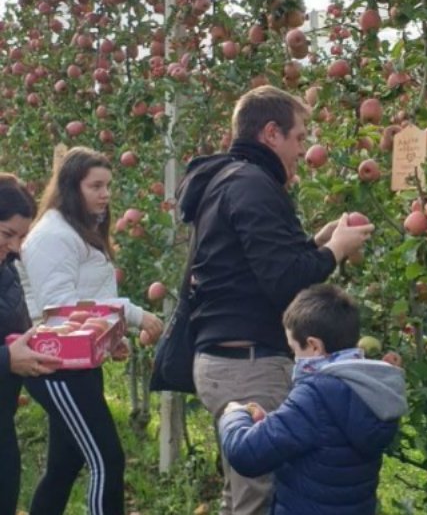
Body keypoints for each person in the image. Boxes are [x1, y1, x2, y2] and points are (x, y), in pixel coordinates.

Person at [178, 85, 374, 514]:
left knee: (241, 494)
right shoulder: (253, 184)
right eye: (299, 137)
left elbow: (255, 267)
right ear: (271, 133)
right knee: (258, 498)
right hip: (248, 366)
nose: (302, 149)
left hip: (223, 360)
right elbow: (285, 283)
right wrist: (333, 252)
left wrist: (315, 244)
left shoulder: (227, 179)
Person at [18, 147, 164, 515]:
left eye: (108, 186)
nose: (105, 194)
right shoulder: (53, 235)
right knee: (107, 459)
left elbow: (89, 298)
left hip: (72, 362)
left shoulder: (76, 229)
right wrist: (131, 315)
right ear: (71, 187)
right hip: (56, 365)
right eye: (95, 186)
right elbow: (61, 310)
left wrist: (106, 340)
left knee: (64, 467)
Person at [219, 284, 407, 515]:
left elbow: (246, 454)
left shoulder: (316, 394)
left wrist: (234, 415)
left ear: (314, 346)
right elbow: (326, 439)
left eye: (294, 349)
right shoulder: (370, 388)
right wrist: (272, 422)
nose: (294, 358)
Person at [0, 174, 62, 515]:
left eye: (21, 237)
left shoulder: (8, 273)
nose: (14, 246)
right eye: (7, 233)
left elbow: (19, 334)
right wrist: (7, 358)